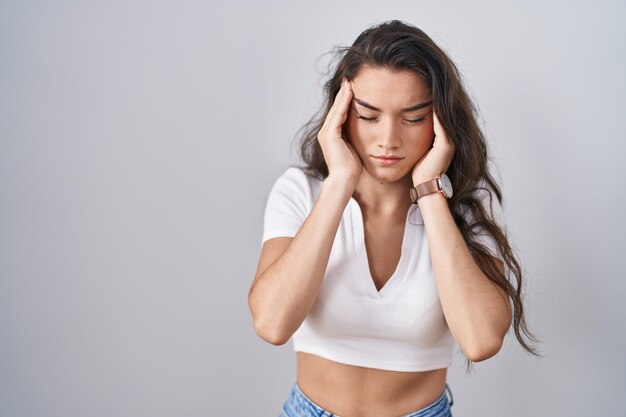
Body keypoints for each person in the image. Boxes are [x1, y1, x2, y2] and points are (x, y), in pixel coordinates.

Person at [248, 20, 540, 417]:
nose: (388, 139)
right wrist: (340, 184)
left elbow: (481, 341)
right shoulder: (300, 191)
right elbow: (272, 323)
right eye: (368, 116)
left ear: (440, 122)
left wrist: (431, 192)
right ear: (341, 114)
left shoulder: (468, 206)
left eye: (413, 117)